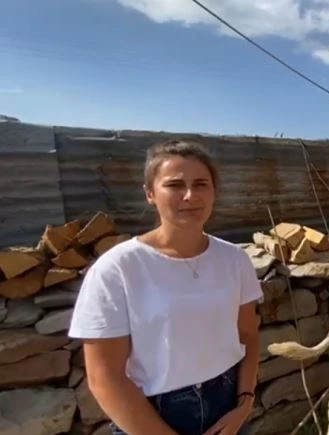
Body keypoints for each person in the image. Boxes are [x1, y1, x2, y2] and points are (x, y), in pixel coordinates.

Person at [68, 139, 263, 435]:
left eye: (201, 184)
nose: (190, 195)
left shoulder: (234, 259)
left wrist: (244, 403)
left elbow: (248, 336)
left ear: (214, 192)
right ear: (150, 193)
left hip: (227, 409)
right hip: (153, 417)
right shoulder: (117, 269)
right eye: (174, 185)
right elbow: (105, 378)